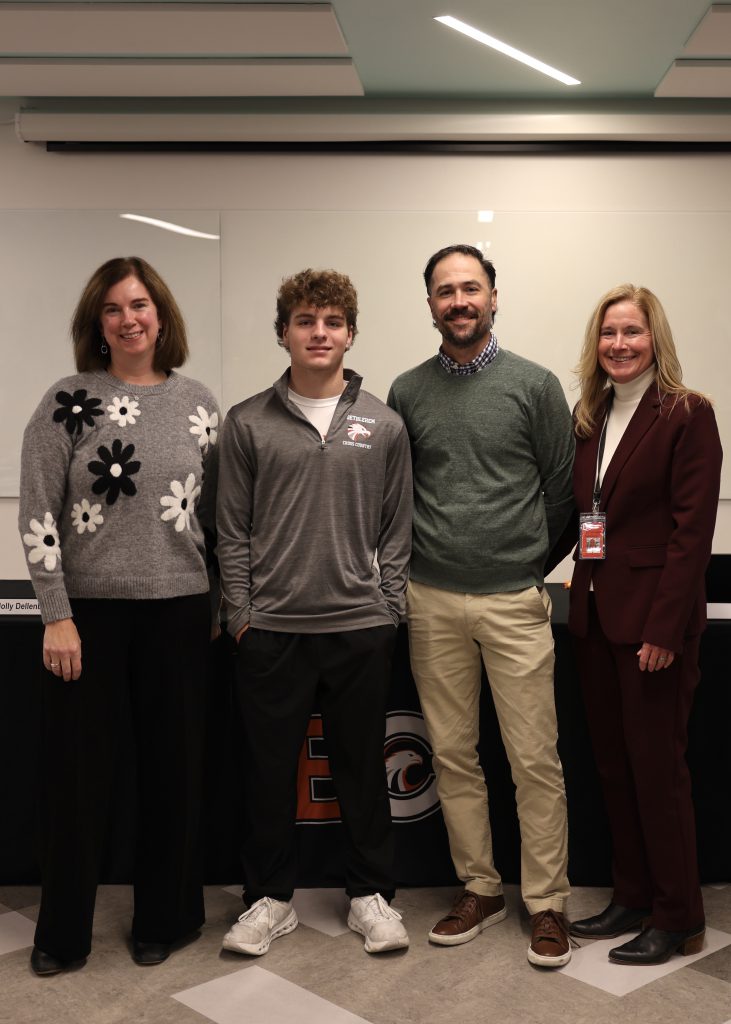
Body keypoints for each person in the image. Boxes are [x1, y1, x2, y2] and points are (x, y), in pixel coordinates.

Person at [19, 256, 220, 975]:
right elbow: (39, 513)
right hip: (90, 618)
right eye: (112, 308)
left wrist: (220, 605)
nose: (128, 319)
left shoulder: (200, 405)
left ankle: (164, 919)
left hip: (180, 613)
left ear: (161, 316)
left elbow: (217, 519)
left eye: (139, 305)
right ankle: (62, 935)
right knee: (77, 781)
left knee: (173, 775)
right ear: (97, 324)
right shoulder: (67, 401)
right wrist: (56, 614)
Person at [387, 244, 575, 967]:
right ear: (430, 305)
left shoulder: (534, 385)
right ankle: (480, 888)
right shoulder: (407, 391)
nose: (459, 301)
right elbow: (396, 493)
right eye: (445, 291)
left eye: (471, 288)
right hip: (431, 600)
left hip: (513, 602)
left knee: (534, 759)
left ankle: (546, 902)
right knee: (453, 756)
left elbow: (560, 492)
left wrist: (525, 566)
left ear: (494, 297)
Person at [216, 268, 412, 956]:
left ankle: (369, 896)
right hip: (272, 631)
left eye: (332, 322)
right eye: (305, 321)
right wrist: (241, 614)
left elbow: (396, 528)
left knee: (361, 772)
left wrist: (388, 608)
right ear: (283, 334)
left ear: (350, 334)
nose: (319, 333)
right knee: (269, 775)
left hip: (359, 629)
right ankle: (270, 899)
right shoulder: (246, 422)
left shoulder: (383, 424)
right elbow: (230, 531)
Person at [562, 285, 722, 965]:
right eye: (608, 333)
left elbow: (691, 535)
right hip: (596, 619)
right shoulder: (592, 417)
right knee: (614, 768)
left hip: (652, 628)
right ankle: (631, 896)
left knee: (657, 772)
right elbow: (589, 518)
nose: (619, 344)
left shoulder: (687, 413)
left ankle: (678, 916)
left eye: (632, 332)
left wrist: (664, 629)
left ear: (655, 339)